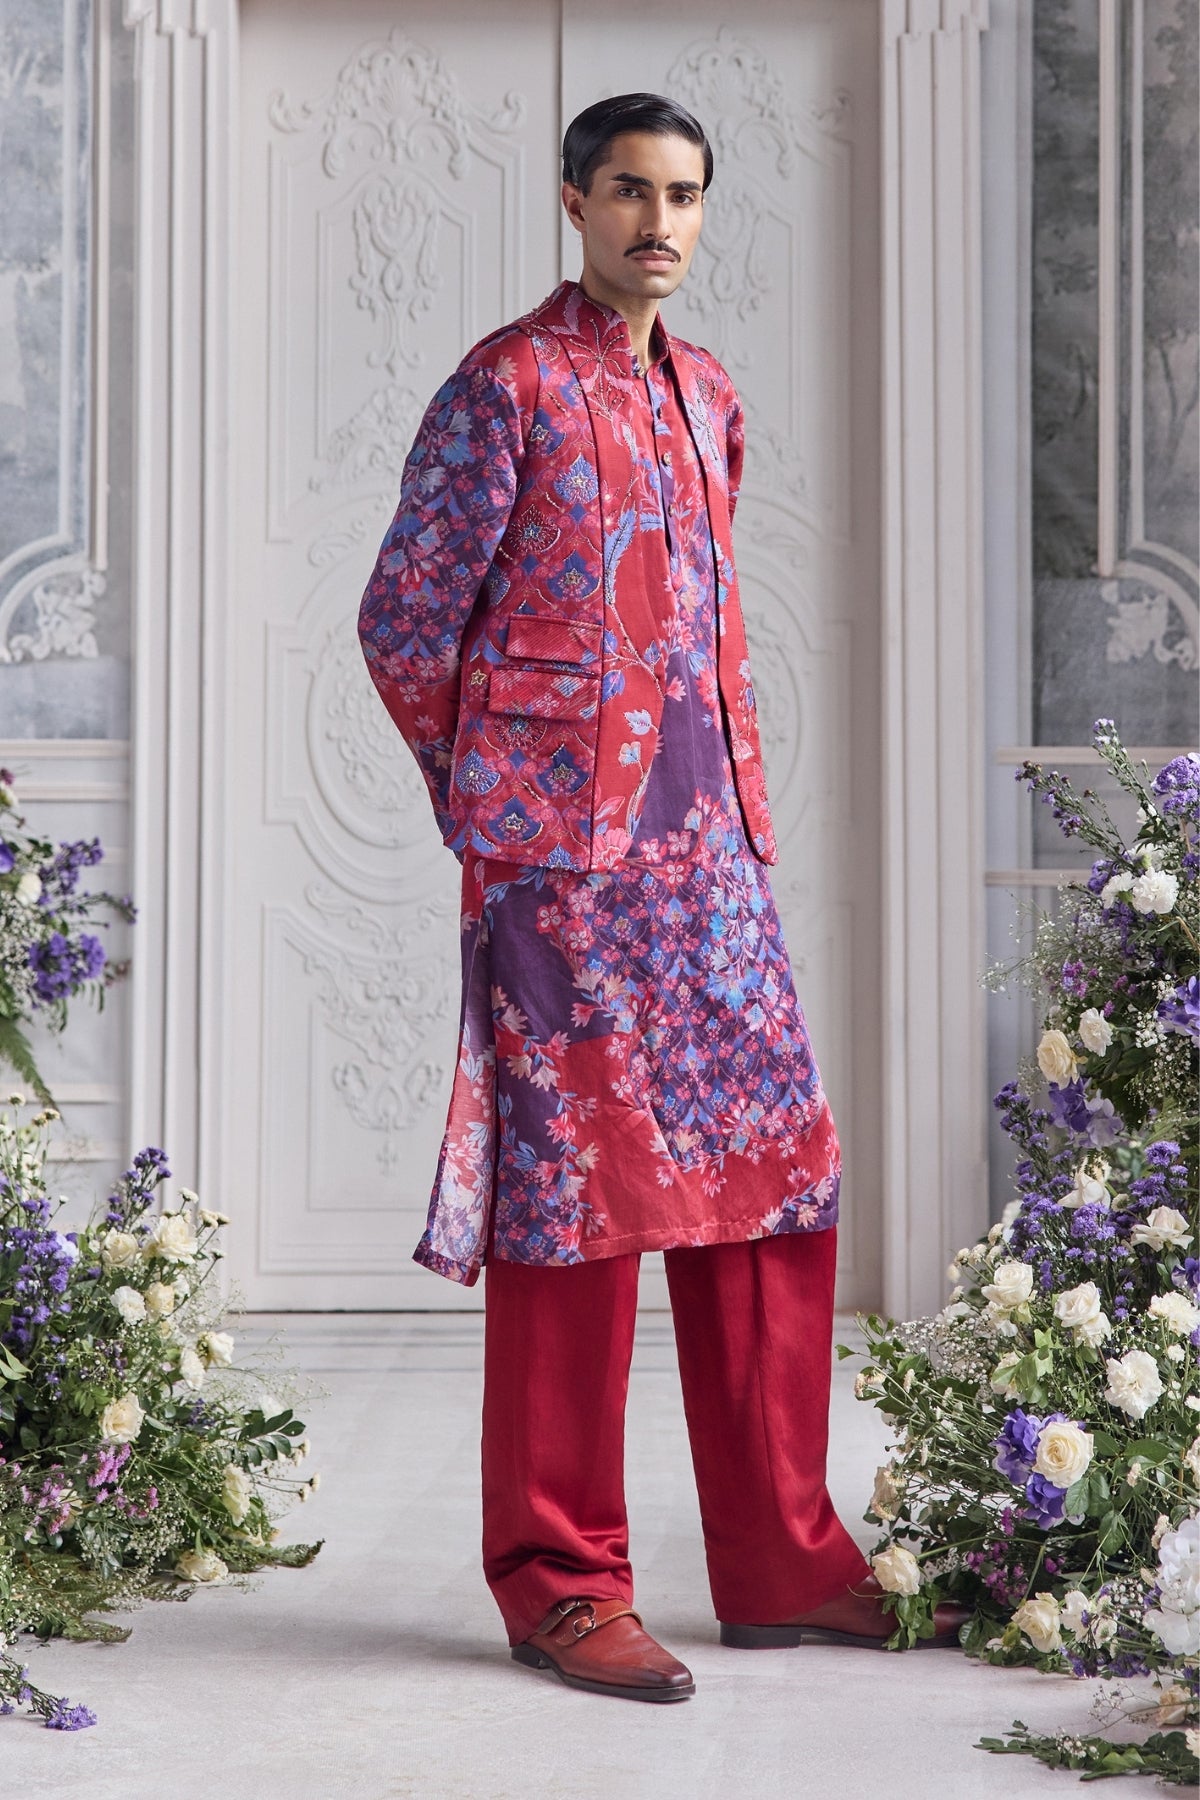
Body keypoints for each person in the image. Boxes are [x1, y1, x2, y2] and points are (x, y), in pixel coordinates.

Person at [358, 91, 965, 1702]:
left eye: (684, 195)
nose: (659, 222)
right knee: (576, 1209)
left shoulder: (712, 394)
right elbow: (406, 622)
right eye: (629, 191)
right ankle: (560, 1582)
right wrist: (502, 813)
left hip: (713, 859)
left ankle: (780, 1560)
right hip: (561, 876)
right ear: (574, 203)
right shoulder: (505, 385)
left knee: (774, 1185)